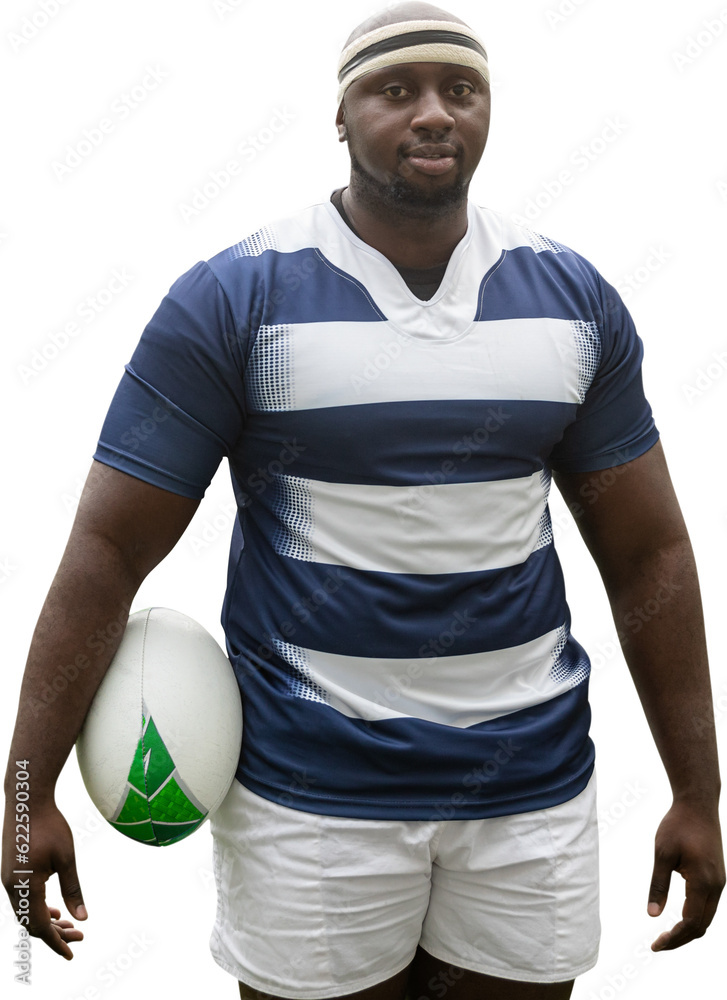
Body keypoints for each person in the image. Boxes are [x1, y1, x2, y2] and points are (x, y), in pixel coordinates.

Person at [2, 2, 724, 998]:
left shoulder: (570, 298)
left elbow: (649, 556)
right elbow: (107, 551)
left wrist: (698, 791)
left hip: (528, 793)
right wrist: (25, 792)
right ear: (340, 116)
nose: (433, 113)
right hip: (312, 804)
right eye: (396, 89)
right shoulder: (235, 299)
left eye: (460, 89)